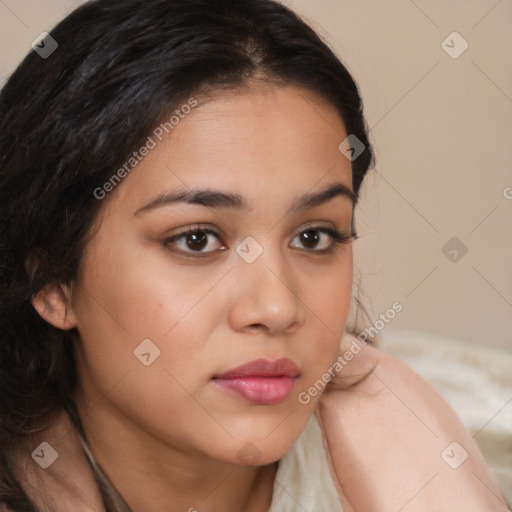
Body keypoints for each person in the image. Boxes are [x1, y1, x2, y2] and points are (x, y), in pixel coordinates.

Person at [0, 0, 506, 510]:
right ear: (53, 280)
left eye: (313, 237)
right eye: (196, 239)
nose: (277, 309)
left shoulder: (406, 451)